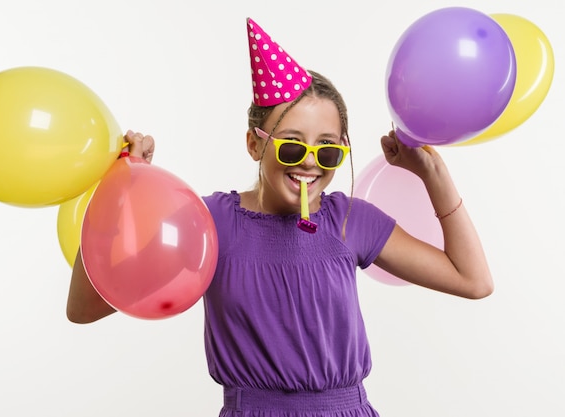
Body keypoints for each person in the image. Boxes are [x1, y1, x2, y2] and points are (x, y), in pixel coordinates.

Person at [66, 17, 493, 417]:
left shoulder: (350, 221)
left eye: (327, 150)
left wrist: (433, 174)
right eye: (292, 146)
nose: (309, 164)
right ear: (255, 145)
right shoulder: (208, 222)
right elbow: (84, 308)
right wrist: (121, 189)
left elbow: (472, 280)